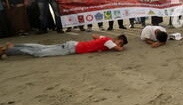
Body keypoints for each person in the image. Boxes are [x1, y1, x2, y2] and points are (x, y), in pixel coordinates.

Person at [0, 34, 128, 59]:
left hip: (73, 45)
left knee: (41, 48)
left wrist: (98, 45)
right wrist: (120, 47)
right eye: (120, 42)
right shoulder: (110, 42)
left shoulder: (105, 40)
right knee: (39, 52)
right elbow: (119, 50)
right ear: (117, 40)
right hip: (71, 48)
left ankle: (12, 47)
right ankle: (8, 50)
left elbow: (94, 36)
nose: (119, 44)